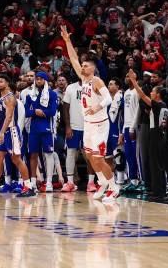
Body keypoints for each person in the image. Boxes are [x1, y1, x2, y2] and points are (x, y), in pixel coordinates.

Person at [61, 26, 120, 203]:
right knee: (90, 158)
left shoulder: (96, 80)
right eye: (83, 65)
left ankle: (114, 187)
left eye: (85, 65)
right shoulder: (85, 79)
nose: (82, 67)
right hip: (88, 124)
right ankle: (102, 183)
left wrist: (97, 107)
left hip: (100, 124)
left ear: (92, 68)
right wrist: (67, 41)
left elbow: (108, 99)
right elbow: (72, 58)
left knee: (99, 159)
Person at [0, 75, 35, 197]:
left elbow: (9, 117)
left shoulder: (10, 98)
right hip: (3, 131)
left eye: (1, 81)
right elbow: (0, 118)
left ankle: (28, 186)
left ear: (7, 84)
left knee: (16, 159)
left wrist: (1, 132)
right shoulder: (1, 98)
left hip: (11, 132)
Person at [126, 70, 168, 201]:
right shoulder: (164, 105)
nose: (151, 93)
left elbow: (143, 96)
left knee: (155, 164)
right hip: (161, 135)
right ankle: (160, 189)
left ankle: (158, 191)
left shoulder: (157, 105)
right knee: (159, 164)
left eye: (153, 92)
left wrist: (133, 81)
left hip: (155, 135)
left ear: (158, 95)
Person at [24, 71, 58, 192]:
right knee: (33, 155)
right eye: (37, 79)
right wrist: (35, 112)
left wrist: (42, 112)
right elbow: (26, 112)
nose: (38, 81)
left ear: (45, 80)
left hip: (47, 128)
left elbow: (53, 111)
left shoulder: (52, 94)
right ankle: (33, 182)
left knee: (48, 154)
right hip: (33, 129)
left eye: (40, 79)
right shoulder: (29, 95)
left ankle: (49, 182)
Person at [61, 78, 88, 192]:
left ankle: (92, 182)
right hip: (74, 126)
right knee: (71, 152)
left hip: (89, 126)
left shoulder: (94, 86)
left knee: (90, 155)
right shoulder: (71, 87)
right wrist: (68, 126)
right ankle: (70, 182)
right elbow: (65, 108)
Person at [122, 73, 142, 191]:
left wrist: (132, 127)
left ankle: (141, 180)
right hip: (126, 126)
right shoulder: (126, 92)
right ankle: (133, 181)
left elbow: (138, 111)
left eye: (128, 76)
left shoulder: (137, 91)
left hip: (134, 127)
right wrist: (124, 128)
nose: (126, 78)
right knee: (129, 155)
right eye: (126, 76)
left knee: (137, 155)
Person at [105, 79, 124, 184]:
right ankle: (110, 180)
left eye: (111, 84)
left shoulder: (121, 99)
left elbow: (123, 118)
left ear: (117, 87)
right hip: (106, 131)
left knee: (118, 156)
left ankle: (121, 179)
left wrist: (122, 133)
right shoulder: (106, 100)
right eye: (108, 84)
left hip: (117, 130)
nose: (109, 86)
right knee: (107, 157)